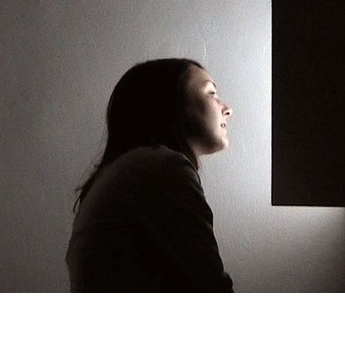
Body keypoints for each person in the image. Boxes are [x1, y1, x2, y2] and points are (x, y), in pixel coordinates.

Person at [65, 58, 234, 292]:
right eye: (211, 93)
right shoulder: (162, 169)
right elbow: (211, 287)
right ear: (171, 104)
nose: (228, 109)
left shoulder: (129, 171)